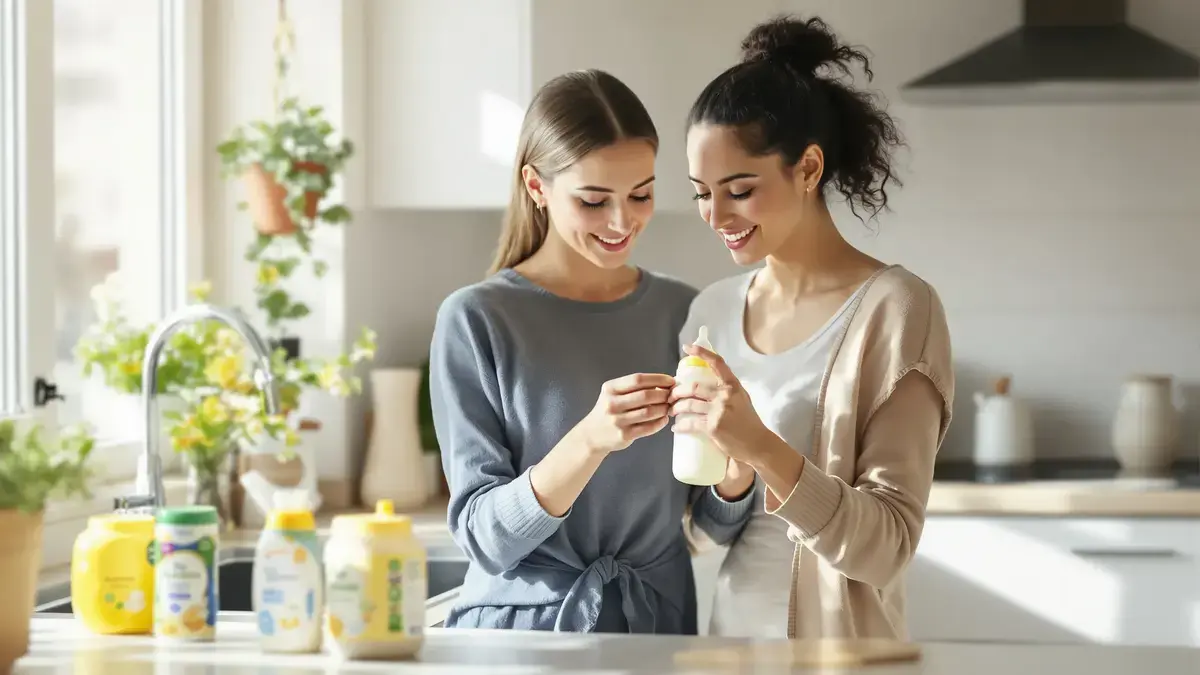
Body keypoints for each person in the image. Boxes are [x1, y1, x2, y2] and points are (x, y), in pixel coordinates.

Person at [429, 69, 755, 634]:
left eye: (641, 194)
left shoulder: (685, 312)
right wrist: (590, 440)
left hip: (656, 630)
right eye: (593, 200)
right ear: (537, 187)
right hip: (522, 637)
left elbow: (712, 528)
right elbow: (485, 538)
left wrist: (740, 459)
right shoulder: (476, 320)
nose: (622, 221)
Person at [672, 15, 954, 639]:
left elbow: (887, 546)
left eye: (739, 189)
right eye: (700, 192)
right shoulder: (711, 314)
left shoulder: (897, 309)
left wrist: (758, 445)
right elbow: (698, 531)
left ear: (807, 168)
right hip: (733, 647)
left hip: (842, 654)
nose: (715, 214)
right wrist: (733, 479)